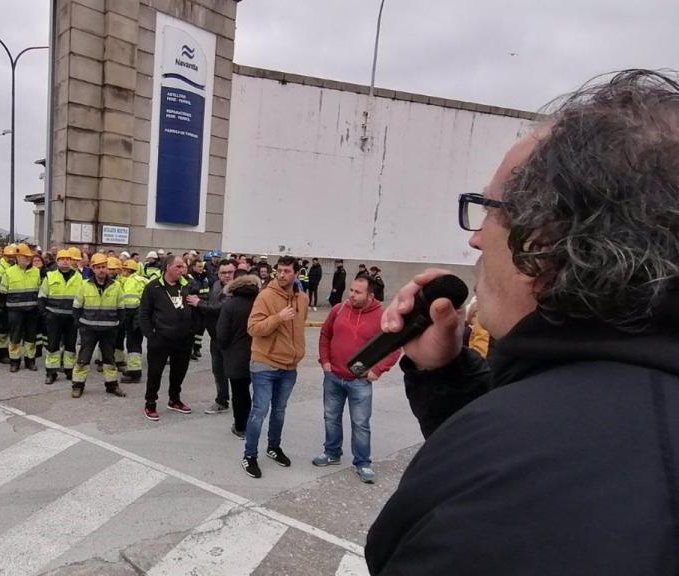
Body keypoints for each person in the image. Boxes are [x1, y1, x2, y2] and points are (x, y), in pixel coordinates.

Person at [365, 70, 679, 574]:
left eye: (487, 209)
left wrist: (497, 438)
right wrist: (444, 375)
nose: (473, 239)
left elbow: (529, 477)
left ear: (541, 239)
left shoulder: (514, 490)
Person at [313, 276, 399, 482]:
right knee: (330, 417)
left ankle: (362, 463)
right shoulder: (339, 310)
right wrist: (325, 361)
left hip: (360, 382)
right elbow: (325, 335)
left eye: (357, 292)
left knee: (360, 423)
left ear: (370, 295)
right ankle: (332, 452)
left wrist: (377, 370)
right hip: (333, 376)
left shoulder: (382, 316)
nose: (351, 295)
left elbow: (395, 346)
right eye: (351, 290)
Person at [241, 255, 308, 479]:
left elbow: (298, 331)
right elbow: (253, 328)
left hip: (289, 365)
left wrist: (298, 353)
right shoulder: (266, 296)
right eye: (279, 270)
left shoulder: (303, 299)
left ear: (296, 273)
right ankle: (249, 455)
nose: (281, 275)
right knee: (260, 411)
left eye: (287, 271)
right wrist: (278, 318)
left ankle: (273, 447)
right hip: (264, 363)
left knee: (279, 411)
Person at [139, 255, 196, 421]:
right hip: (161, 338)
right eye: (178, 267)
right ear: (167, 267)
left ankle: (174, 399)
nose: (182, 270)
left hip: (183, 338)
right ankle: (150, 403)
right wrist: (151, 335)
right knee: (155, 372)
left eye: (183, 267)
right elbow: (144, 314)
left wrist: (192, 329)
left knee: (179, 371)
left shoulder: (187, 285)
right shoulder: (153, 287)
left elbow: (196, 306)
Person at [70, 253, 127, 399]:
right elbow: (76, 307)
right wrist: (80, 324)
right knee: (83, 359)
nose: (101, 270)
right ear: (93, 269)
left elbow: (121, 308)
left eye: (103, 267)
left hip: (109, 330)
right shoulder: (84, 285)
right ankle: (77, 386)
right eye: (98, 267)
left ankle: (112, 385)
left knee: (109, 359)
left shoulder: (116, 286)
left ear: (107, 268)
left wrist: (117, 325)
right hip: (88, 330)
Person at [215, 274, 261, 439]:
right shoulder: (261, 302)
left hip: (236, 356)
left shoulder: (230, 304)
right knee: (259, 394)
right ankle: (255, 425)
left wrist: (225, 349)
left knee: (239, 393)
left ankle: (241, 426)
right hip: (260, 354)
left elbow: (221, 334)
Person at [192, 258, 236, 414]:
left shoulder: (236, 289)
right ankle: (222, 400)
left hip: (233, 339)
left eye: (230, 272)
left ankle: (239, 405)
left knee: (235, 373)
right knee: (218, 370)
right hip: (216, 337)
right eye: (223, 273)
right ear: (218, 274)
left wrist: (198, 303)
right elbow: (212, 302)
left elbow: (219, 307)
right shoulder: (217, 285)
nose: (227, 275)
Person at [38, 249, 83, 384]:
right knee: (53, 345)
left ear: (71, 261)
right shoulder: (50, 276)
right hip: (54, 318)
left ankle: (69, 370)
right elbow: (41, 297)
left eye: (68, 259)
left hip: (71, 319)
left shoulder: (78, 277)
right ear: (57, 261)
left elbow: (83, 298)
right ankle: (51, 372)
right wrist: (46, 315)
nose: (65, 261)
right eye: (62, 259)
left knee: (70, 345)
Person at [0, 243, 41, 372]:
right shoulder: (9, 272)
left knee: (31, 338)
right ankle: (15, 361)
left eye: (29, 256)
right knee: (15, 337)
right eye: (24, 256)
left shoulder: (36, 271)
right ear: (17, 257)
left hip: (32, 311)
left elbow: (39, 290)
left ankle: (30, 361)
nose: (27, 259)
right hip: (14, 311)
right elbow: (3, 292)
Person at [118, 259, 147, 383]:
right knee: (136, 342)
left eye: (124, 269)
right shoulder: (143, 280)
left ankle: (134, 372)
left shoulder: (131, 281)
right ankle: (134, 369)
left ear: (129, 270)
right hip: (141, 316)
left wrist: (124, 319)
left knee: (133, 344)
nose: (122, 272)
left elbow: (129, 303)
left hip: (133, 317)